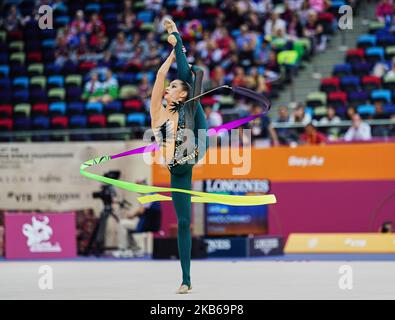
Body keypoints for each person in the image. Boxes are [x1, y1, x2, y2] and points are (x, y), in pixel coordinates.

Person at [149, 19, 209, 294]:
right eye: (171, 87)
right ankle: (186, 279)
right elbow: (160, 78)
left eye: (174, 87)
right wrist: (171, 53)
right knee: (183, 222)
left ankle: (185, 279)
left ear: (181, 93)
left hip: (195, 143)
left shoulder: (188, 106)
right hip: (177, 170)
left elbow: (182, 79)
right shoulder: (158, 114)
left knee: (191, 87)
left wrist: (175, 38)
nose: (168, 88)